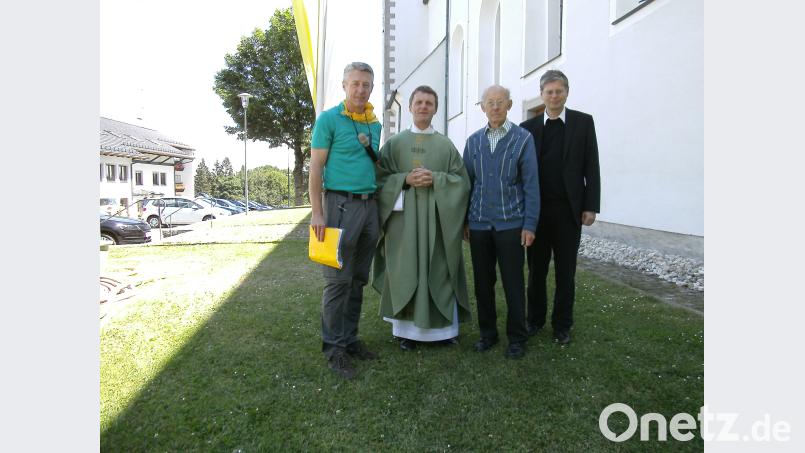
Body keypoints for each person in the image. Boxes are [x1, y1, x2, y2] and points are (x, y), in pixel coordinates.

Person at [372, 85, 471, 351]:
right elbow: (378, 181)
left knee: (439, 269)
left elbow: (462, 183)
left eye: (429, 103)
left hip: (437, 223)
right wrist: (404, 179)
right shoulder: (394, 145)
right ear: (411, 107)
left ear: (435, 109)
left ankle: (444, 332)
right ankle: (406, 332)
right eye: (419, 102)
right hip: (403, 224)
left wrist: (436, 180)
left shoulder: (445, 145)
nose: (424, 107)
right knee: (405, 270)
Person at [309, 62, 382, 379]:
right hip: (338, 205)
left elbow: (375, 167)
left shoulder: (374, 124)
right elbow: (315, 167)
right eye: (355, 84)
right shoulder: (328, 119)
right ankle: (334, 348)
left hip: (369, 208)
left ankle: (350, 340)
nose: (361, 90)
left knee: (358, 279)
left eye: (366, 85)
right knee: (338, 282)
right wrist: (317, 211)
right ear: (344, 85)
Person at [519, 69, 601, 345]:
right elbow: (520, 172)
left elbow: (592, 165)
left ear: (567, 93)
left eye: (559, 91)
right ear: (541, 95)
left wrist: (591, 206)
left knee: (566, 271)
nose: (554, 96)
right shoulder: (528, 129)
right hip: (538, 213)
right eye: (549, 92)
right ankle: (535, 320)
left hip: (569, 212)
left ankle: (562, 324)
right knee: (536, 271)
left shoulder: (583, 123)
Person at [462, 85, 540, 359]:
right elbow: (466, 185)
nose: (494, 107)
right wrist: (465, 222)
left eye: (500, 102)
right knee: (483, 284)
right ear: (482, 107)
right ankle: (488, 334)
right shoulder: (472, 142)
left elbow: (531, 185)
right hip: (479, 224)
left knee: (513, 283)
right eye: (489, 102)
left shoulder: (523, 139)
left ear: (508, 105)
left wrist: (529, 225)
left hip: (511, 225)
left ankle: (517, 338)